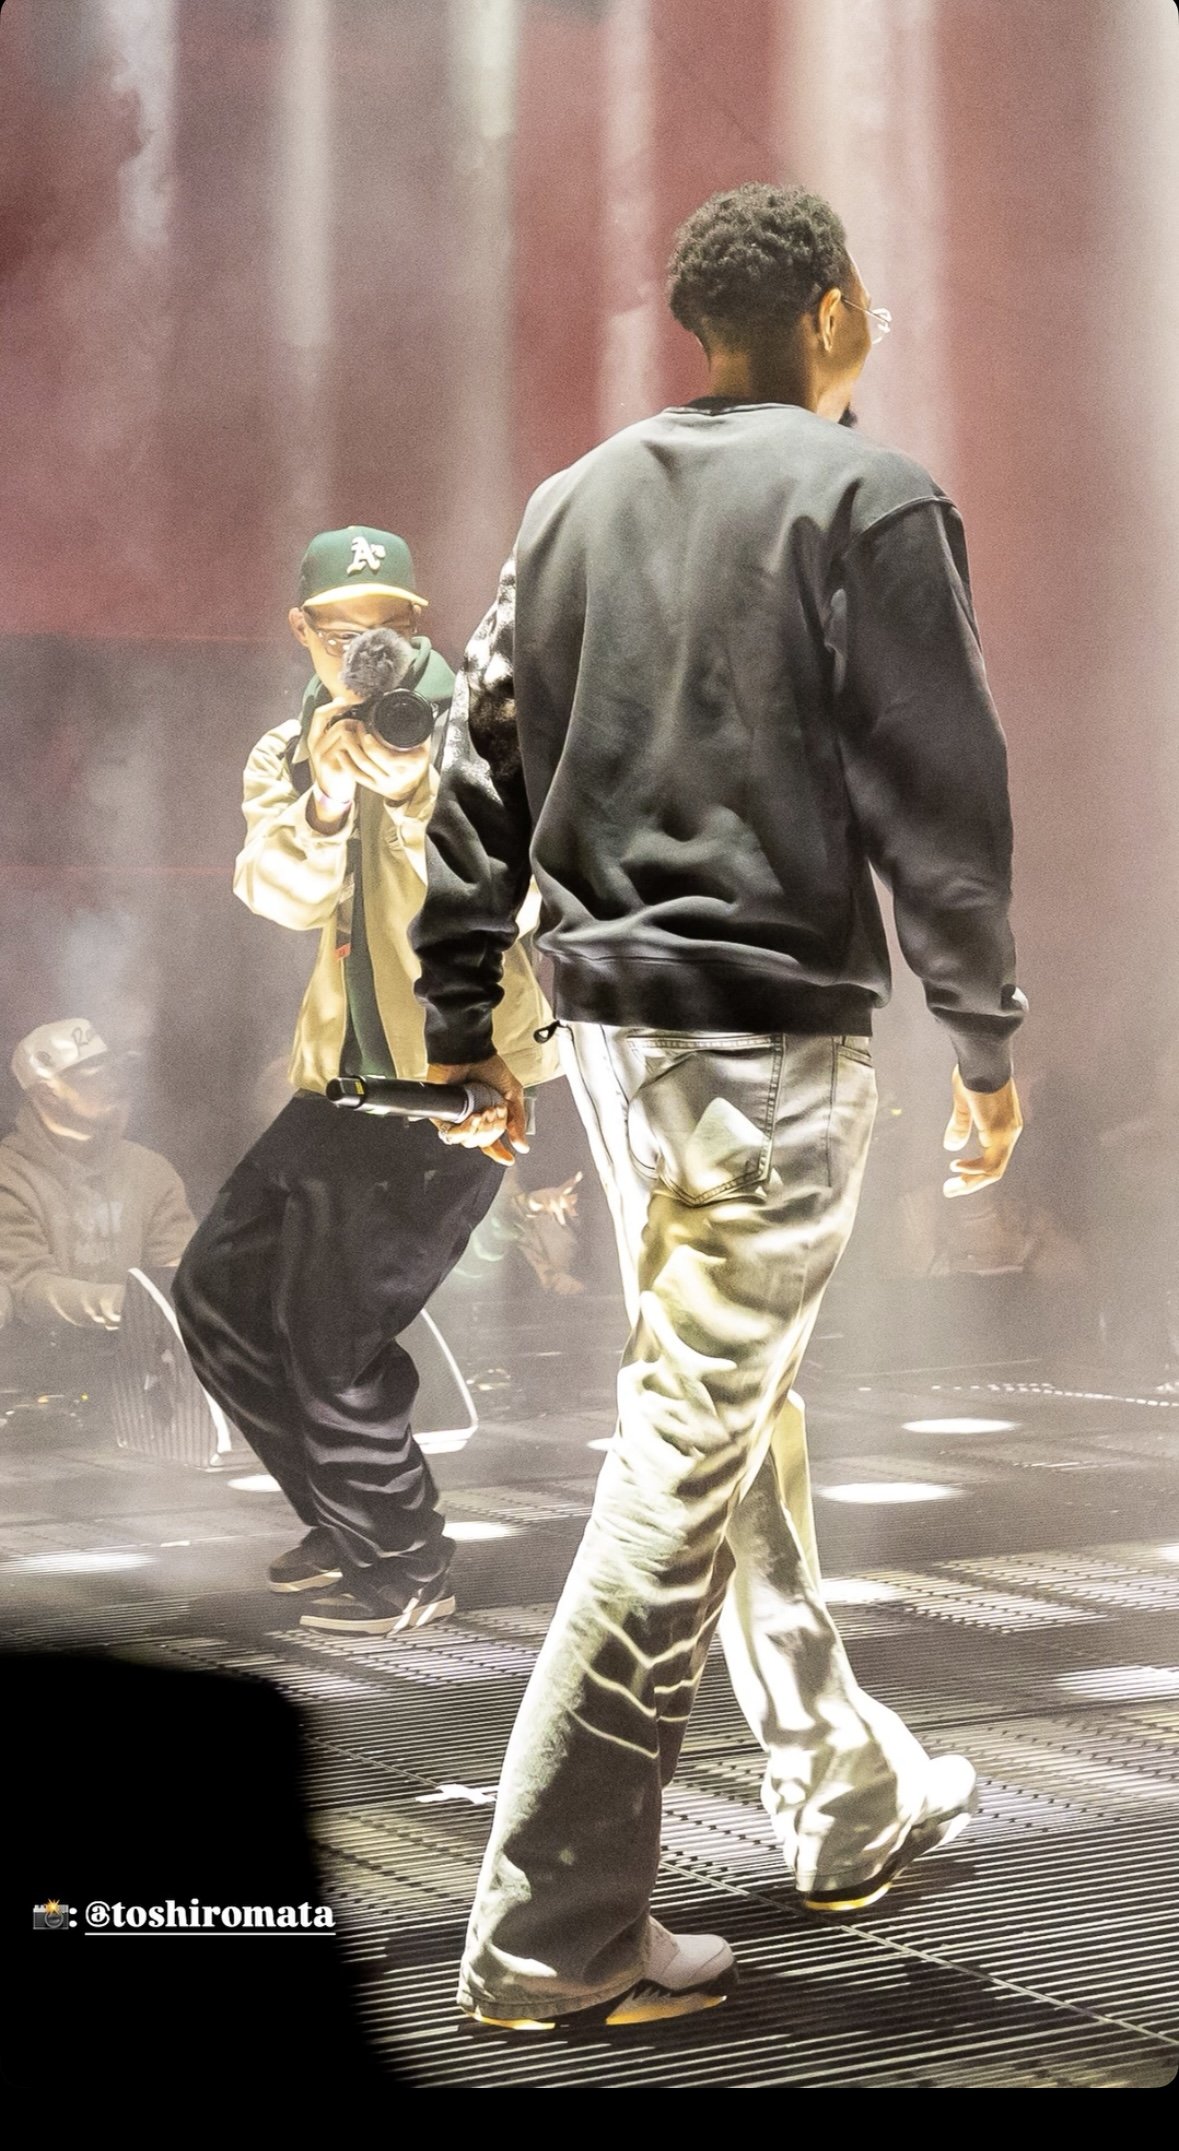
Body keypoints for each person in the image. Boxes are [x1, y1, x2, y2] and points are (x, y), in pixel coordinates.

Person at [411, 183, 1025, 2027]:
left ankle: (837, 1790)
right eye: (869, 303)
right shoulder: (869, 497)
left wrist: (463, 1023)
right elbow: (940, 792)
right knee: (683, 1453)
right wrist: (983, 1040)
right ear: (828, 309)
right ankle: (552, 1931)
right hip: (765, 1033)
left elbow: (476, 765)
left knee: (726, 1413)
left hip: (614, 1031)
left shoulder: (570, 497)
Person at [172, 527, 559, 1637]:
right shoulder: (287, 750)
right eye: (345, 631)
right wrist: (334, 801)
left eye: (389, 627)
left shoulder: (489, 733)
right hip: (342, 1082)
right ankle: (346, 1520)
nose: (369, 651)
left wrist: (415, 791)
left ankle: (404, 1570)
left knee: (333, 1341)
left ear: (420, 624)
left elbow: (530, 898)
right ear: (305, 632)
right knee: (217, 1296)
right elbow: (276, 894)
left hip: (454, 1081)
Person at [0, 1018, 195, 1336]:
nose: (114, 1085)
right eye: (92, 1077)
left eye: (112, 1070)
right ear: (48, 1094)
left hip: (140, 1357)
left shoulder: (150, 1170)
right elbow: (28, 1287)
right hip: (40, 1365)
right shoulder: (9, 1176)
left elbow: (178, 1267)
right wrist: (126, 1304)